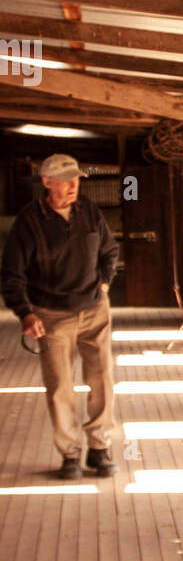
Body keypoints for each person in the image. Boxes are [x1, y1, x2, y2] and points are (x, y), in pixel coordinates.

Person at [1, 154, 119, 479]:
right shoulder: (29, 222)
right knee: (59, 386)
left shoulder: (90, 212)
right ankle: (70, 453)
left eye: (76, 180)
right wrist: (25, 313)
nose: (72, 186)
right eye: (65, 181)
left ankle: (100, 448)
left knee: (102, 379)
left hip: (94, 308)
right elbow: (11, 274)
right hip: (51, 314)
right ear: (46, 183)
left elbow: (109, 250)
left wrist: (105, 283)